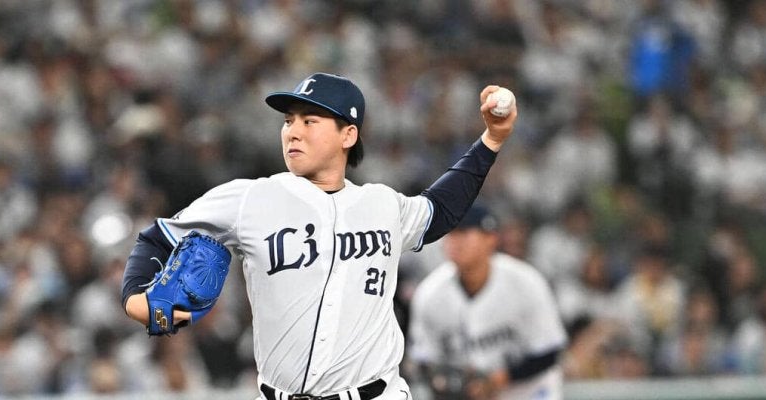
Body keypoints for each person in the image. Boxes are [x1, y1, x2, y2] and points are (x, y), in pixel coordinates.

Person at [120, 72, 518, 399]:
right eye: (288, 121)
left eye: (309, 121)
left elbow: (439, 210)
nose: (293, 132)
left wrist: (491, 141)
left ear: (348, 135)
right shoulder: (249, 198)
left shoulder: (382, 204)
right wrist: (135, 298)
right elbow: (158, 237)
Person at [408, 204, 567, 400]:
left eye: (463, 233)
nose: (454, 241)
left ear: (491, 238)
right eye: (450, 234)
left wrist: (498, 380)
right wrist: (445, 380)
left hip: (528, 391)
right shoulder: (429, 293)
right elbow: (423, 359)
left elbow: (549, 351)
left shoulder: (526, 282)